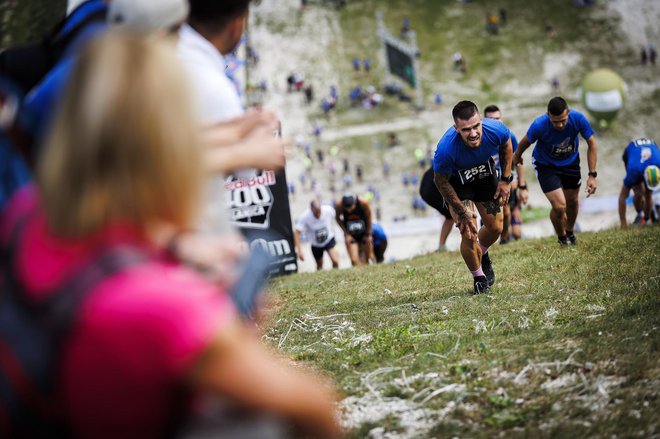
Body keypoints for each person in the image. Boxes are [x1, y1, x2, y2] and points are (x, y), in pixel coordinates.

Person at [1, 34, 340, 439]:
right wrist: (228, 334)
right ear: (176, 153)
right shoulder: (163, 309)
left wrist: (176, 247)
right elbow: (312, 405)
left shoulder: (25, 211)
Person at [433, 101, 513, 295]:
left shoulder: (496, 129)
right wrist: (461, 211)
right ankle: (478, 277)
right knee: (469, 231)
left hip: (485, 176)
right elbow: (441, 182)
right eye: (466, 129)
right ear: (456, 128)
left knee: (495, 228)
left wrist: (505, 179)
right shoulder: (445, 149)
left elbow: (507, 146)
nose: (474, 133)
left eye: (476, 126)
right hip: (458, 184)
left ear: (481, 121)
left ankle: (482, 252)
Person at [513, 96, 598, 246]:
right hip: (546, 166)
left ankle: (570, 231)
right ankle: (562, 238)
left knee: (572, 202)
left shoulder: (578, 119)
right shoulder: (540, 124)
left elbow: (592, 143)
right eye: (555, 121)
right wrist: (517, 156)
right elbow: (525, 142)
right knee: (560, 207)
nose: (559, 125)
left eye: (563, 120)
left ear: (568, 113)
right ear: (548, 116)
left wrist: (592, 175)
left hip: (570, 164)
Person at [483, 105, 528, 242]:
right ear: (484, 120)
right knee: (495, 218)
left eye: (498, 118)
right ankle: (501, 238)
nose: (496, 122)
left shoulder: (508, 135)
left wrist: (522, 186)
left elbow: (518, 161)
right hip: (489, 183)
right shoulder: (479, 138)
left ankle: (505, 238)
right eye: (491, 119)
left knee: (516, 229)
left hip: (507, 181)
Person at [618, 138, 660, 227]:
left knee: (648, 193)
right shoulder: (634, 171)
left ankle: (646, 218)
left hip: (651, 148)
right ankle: (641, 214)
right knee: (638, 192)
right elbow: (622, 197)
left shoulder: (658, 163)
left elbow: (649, 193)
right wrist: (623, 222)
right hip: (630, 151)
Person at [294, 199, 339, 270]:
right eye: (316, 213)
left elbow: (337, 217)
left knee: (335, 261)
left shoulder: (328, 210)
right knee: (320, 265)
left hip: (329, 239)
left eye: (319, 212)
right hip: (316, 244)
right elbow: (296, 231)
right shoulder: (305, 216)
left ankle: (336, 275)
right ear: (311, 209)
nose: (318, 215)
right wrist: (299, 251)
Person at [419, 166, 455, 252]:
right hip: (432, 186)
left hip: (428, 181)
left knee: (451, 215)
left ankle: (441, 246)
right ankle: (468, 242)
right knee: (453, 214)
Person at [335, 193, 374, 266]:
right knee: (354, 261)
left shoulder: (363, 203)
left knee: (367, 259)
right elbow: (337, 218)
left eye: (351, 208)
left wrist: (368, 234)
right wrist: (346, 233)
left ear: (355, 203)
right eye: (347, 209)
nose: (349, 211)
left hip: (363, 233)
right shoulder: (339, 205)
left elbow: (369, 218)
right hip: (351, 234)